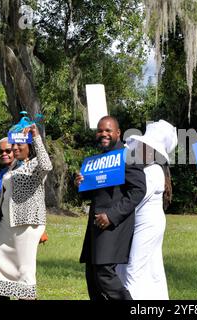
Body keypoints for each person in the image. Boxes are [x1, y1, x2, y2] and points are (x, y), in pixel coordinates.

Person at [75, 115, 146, 300]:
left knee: (104, 274)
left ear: (118, 133)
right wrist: (81, 184)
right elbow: (93, 194)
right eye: (100, 130)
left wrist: (112, 215)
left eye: (108, 130)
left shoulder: (127, 156)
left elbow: (138, 190)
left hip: (113, 225)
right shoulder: (96, 160)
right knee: (92, 274)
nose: (103, 134)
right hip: (95, 226)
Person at [0, 124, 52, 300]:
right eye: (13, 145)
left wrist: (36, 136)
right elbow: (9, 196)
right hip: (6, 226)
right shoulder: (12, 168)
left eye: (20, 144)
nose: (15, 148)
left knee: (24, 274)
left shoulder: (36, 165)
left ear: (29, 146)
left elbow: (47, 165)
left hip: (25, 227)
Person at [116, 119, 178, 300]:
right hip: (145, 221)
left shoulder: (153, 171)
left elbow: (136, 199)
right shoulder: (146, 169)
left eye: (146, 146)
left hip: (147, 224)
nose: (141, 148)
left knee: (133, 268)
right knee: (150, 268)